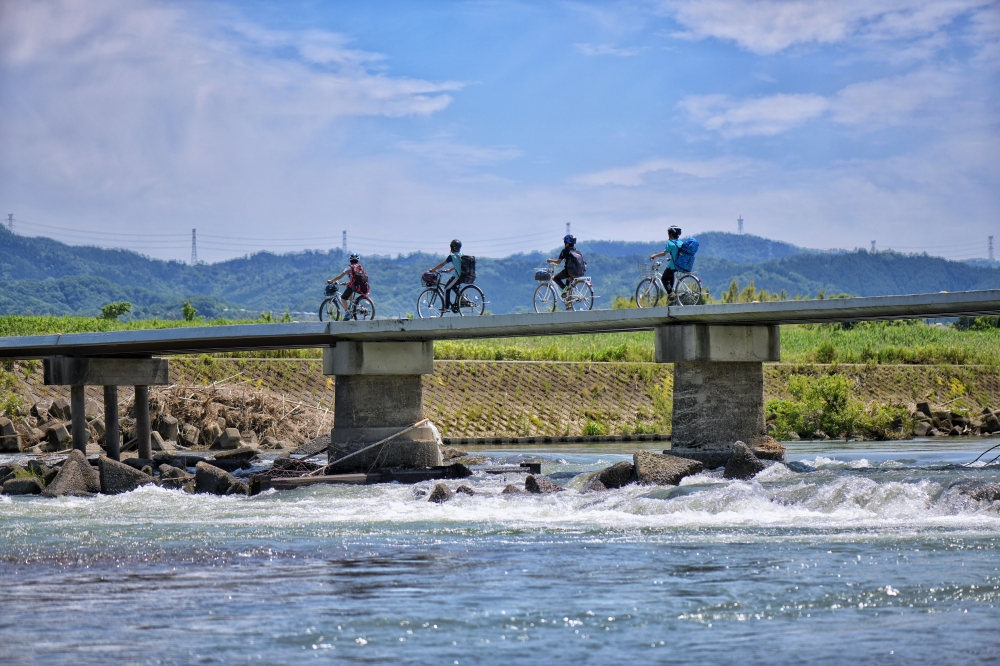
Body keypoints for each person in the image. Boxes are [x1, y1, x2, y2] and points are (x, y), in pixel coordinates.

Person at [327, 252, 369, 320]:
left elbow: (340, 276)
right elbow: (359, 279)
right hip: (363, 286)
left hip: (355, 287)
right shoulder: (360, 267)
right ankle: (352, 304)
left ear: (350, 260)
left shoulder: (349, 267)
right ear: (358, 260)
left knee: (343, 297)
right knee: (349, 286)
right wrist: (349, 282)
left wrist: (331, 281)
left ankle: (347, 313)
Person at [427, 239, 464, 313]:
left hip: (457, 276)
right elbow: (460, 265)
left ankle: (446, 308)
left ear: (452, 248)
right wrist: (450, 270)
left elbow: (442, 264)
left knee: (446, 288)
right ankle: (463, 299)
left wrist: (433, 269)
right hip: (462, 275)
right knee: (452, 286)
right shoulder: (461, 255)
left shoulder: (452, 256)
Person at [546, 234, 583, 305]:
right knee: (568, 280)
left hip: (569, 272)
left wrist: (550, 260)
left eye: (564, 242)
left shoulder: (564, 251)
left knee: (555, 278)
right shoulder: (576, 251)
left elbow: (558, 261)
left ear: (567, 243)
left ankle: (564, 289)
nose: (564, 244)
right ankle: (568, 302)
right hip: (578, 272)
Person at [649, 226, 683, 298]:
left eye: (668, 233)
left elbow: (664, 253)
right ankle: (671, 295)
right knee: (670, 274)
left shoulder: (670, 242)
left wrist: (654, 255)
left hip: (674, 265)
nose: (668, 235)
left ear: (671, 234)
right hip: (680, 264)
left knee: (664, 279)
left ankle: (671, 294)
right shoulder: (680, 242)